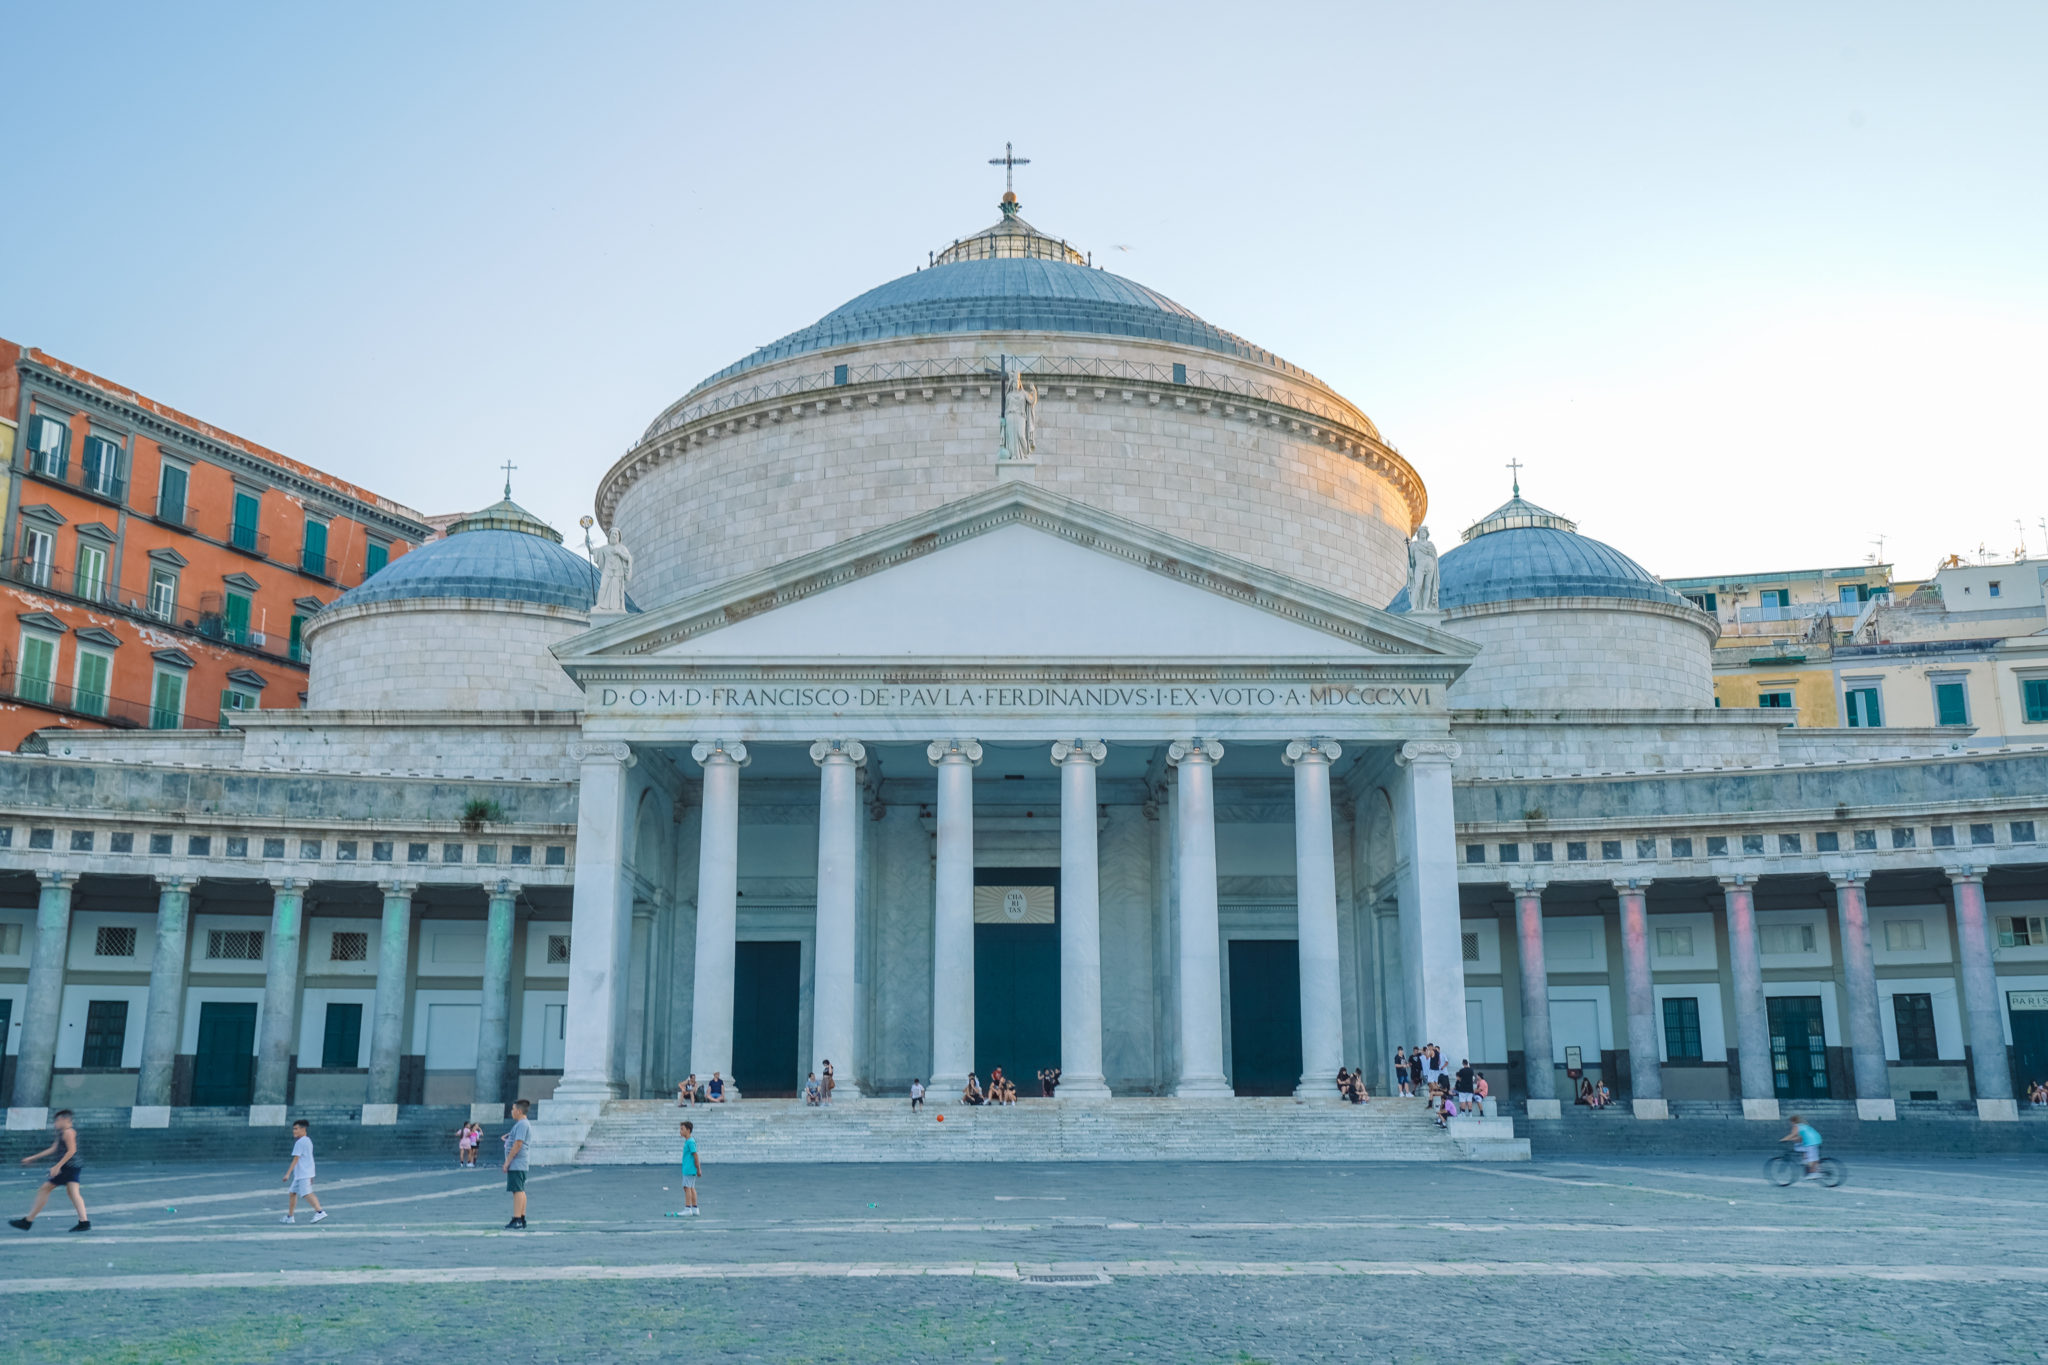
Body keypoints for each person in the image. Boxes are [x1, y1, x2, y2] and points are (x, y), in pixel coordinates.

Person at [10, 1110, 88, 1232]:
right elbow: (53, 1148)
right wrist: (33, 1158)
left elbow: (72, 1151)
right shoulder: (62, 1133)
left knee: (45, 1188)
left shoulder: (68, 1132)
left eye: (57, 1120)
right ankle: (84, 1222)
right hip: (73, 1166)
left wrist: (57, 1166)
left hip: (68, 1167)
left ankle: (28, 1220)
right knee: (73, 1193)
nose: (55, 1123)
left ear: (65, 1120)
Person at [281, 1118, 328, 1224]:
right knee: (292, 1193)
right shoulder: (308, 1141)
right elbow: (309, 1159)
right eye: (293, 1129)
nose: (294, 1131)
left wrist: (287, 1174)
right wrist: (312, 1175)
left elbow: (295, 1159)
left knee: (306, 1193)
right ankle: (290, 1216)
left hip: (303, 1174)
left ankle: (320, 1211)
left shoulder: (300, 1143)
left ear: (303, 1129)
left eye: (296, 1129)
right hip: (302, 1174)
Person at [502, 1098, 533, 1230]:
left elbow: (518, 1143)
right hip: (520, 1162)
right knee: (520, 1190)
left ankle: (517, 1219)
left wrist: (507, 1161)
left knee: (517, 1190)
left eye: (513, 1109)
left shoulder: (522, 1124)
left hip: (517, 1162)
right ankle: (521, 1217)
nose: (512, 1111)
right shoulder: (522, 1124)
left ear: (519, 1111)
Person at [1782, 1113, 1824, 1181]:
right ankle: (1806, 1160)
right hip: (1816, 1139)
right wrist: (1791, 1139)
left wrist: (1784, 1139)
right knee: (1800, 1148)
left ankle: (1814, 1173)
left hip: (1811, 1142)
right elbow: (1799, 1138)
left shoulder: (1796, 1126)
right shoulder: (1804, 1125)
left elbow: (1792, 1135)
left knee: (1811, 1158)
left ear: (1793, 1121)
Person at [678, 1120, 701, 1217]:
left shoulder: (690, 1142)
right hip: (689, 1169)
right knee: (691, 1188)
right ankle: (695, 1208)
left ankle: (688, 1208)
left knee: (687, 1188)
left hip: (689, 1169)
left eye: (682, 1129)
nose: (680, 1131)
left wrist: (698, 1169)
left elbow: (695, 1155)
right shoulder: (689, 1141)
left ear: (688, 1130)